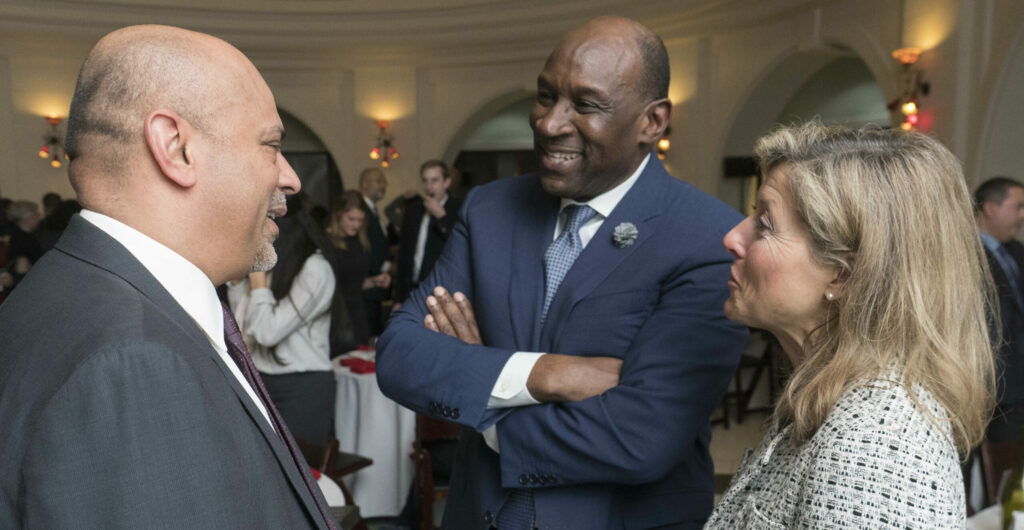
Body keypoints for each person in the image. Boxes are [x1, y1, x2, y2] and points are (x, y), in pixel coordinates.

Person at [376, 17, 747, 529]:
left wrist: (484, 392)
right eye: (546, 96)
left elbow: (641, 438)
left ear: (652, 122)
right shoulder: (490, 209)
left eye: (586, 105)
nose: (550, 123)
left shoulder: (710, 238)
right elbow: (399, 354)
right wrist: (545, 373)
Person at [0, 25, 336, 529]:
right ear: (175, 148)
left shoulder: (66, 294)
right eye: (270, 145)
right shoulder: (135, 364)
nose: (288, 176)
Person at [706, 123, 994, 528]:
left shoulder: (877, 446)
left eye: (766, 224)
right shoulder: (824, 396)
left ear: (843, 274)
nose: (733, 237)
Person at [227, 210, 343, 446]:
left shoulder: (315, 269)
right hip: (262, 380)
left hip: (301, 388)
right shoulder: (275, 267)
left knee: (303, 472)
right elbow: (245, 329)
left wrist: (259, 286)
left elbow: (268, 333)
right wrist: (239, 283)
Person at [975, 176, 1024, 443]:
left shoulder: (1016, 251)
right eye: (1017, 206)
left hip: (1016, 386)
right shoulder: (967, 253)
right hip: (988, 384)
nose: (1023, 215)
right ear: (990, 209)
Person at [325, 190, 391, 348]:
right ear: (339, 215)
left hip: (357, 312)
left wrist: (373, 281)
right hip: (334, 315)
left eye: (360, 220)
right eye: (351, 219)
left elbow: (353, 283)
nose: (356, 224)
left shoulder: (360, 241)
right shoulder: (326, 242)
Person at [394, 159, 463, 303]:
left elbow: (460, 246)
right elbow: (404, 254)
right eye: (425, 181)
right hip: (413, 290)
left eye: (434, 181)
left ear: (446, 182)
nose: (429, 187)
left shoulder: (459, 209)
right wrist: (398, 299)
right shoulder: (413, 210)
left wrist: (441, 217)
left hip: (445, 292)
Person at [358, 167, 397, 335]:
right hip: (363, 288)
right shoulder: (359, 211)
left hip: (377, 287)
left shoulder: (373, 211)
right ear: (365, 184)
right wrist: (387, 267)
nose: (384, 185)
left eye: (384, 181)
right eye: (379, 181)